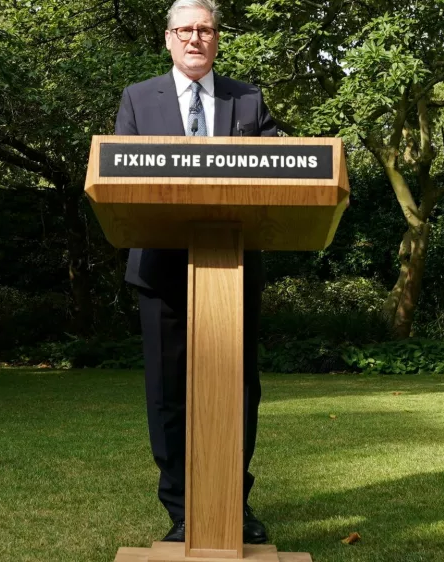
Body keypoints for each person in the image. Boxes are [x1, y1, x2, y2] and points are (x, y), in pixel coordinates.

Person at [113, 0, 277, 546]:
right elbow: (119, 177)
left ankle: (235, 501)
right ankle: (181, 509)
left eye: (204, 29)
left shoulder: (247, 98)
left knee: (239, 390)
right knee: (167, 394)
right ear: (167, 39)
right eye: (184, 29)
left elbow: (282, 163)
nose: (194, 38)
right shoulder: (137, 98)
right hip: (159, 270)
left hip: (231, 267)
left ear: (217, 38)